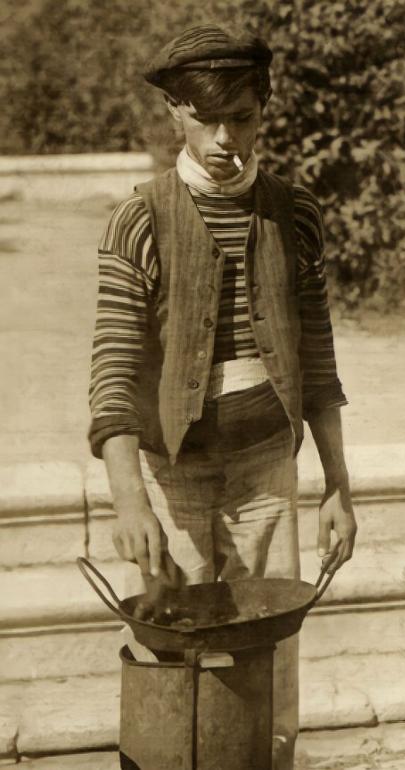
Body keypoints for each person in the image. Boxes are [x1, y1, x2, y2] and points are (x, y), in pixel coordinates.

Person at [87, 24, 357, 768]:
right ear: (175, 113)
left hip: (268, 472)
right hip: (173, 481)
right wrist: (129, 499)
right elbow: (113, 374)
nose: (225, 137)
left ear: (265, 110)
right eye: (206, 119)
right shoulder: (138, 221)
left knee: (269, 668)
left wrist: (338, 484)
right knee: (175, 665)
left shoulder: (293, 215)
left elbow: (319, 363)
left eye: (242, 116)